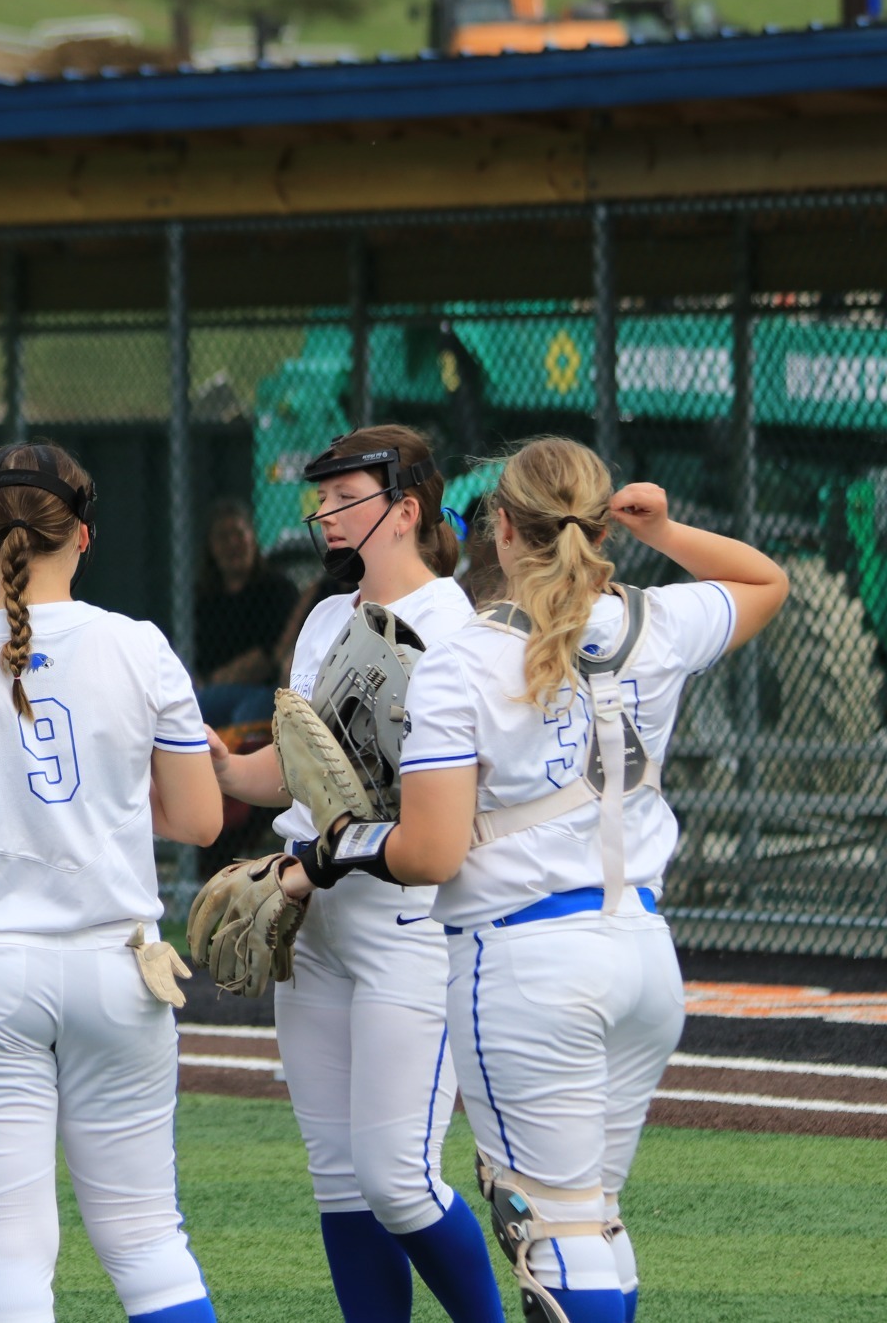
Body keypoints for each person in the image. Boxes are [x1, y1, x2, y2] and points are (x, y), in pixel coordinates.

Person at [300, 438, 786, 1323]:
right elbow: (766, 581)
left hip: (526, 962)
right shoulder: (656, 621)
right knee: (592, 1217)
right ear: (600, 527)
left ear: (501, 527)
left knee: (557, 1232)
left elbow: (431, 853)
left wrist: (324, 854)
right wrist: (663, 529)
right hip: (643, 951)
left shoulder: (463, 658)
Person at [0, 441, 226, 1322]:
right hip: (119, 963)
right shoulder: (139, 645)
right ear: (83, 535)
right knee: (149, 1242)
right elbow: (200, 821)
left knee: (12, 1257)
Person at [208, 426, 506, 1323]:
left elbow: (445, 800)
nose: (326, 513)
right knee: (340, 1179)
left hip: (405, 916)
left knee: (398, 1178)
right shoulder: (327, 617)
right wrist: (220, 767)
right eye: (324, 498)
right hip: (311, 916)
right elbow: (303, 769)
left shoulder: (458, 627)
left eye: (346, 497)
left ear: (405, 510)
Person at [193, 497, 297, 728]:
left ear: (252, 538)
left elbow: (270, 656)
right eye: (223, 537)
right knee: (195, 708)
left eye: (239, 534)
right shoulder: (206, 596)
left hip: (268, 688)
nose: (233, 543)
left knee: (246, 714)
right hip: (217, 689)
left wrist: (221, 678)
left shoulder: (278, 589)